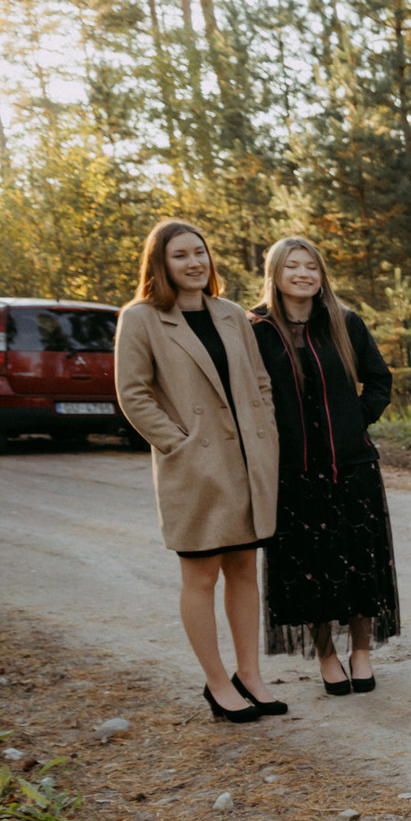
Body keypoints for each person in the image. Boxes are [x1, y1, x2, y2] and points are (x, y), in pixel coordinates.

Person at [113, 218, 286, 724]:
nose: (194, 262)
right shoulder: (141, 318)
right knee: (201, 573)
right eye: (181, 255)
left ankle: (249, 675)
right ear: (160, 264)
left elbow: (261, 383)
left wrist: (266, 434)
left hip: (248, 463)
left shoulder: (232, 315)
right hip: (194, 467)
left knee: (244, 570)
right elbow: (133, 393)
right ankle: (217, 683)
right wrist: (177, 444)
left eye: (200, 252)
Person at [251, 235, 400, 695]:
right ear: (275, 274)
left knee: (360, 564)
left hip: (351, 467)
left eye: (311, 266)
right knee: (307, 568)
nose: (303, 274)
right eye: (292, 266)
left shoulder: (344, 322)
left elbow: (378, 380)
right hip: (291, 475)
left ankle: (360, 652)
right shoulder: (255, 329)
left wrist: (356, 422)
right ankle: (326, 655)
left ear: (321, 275)